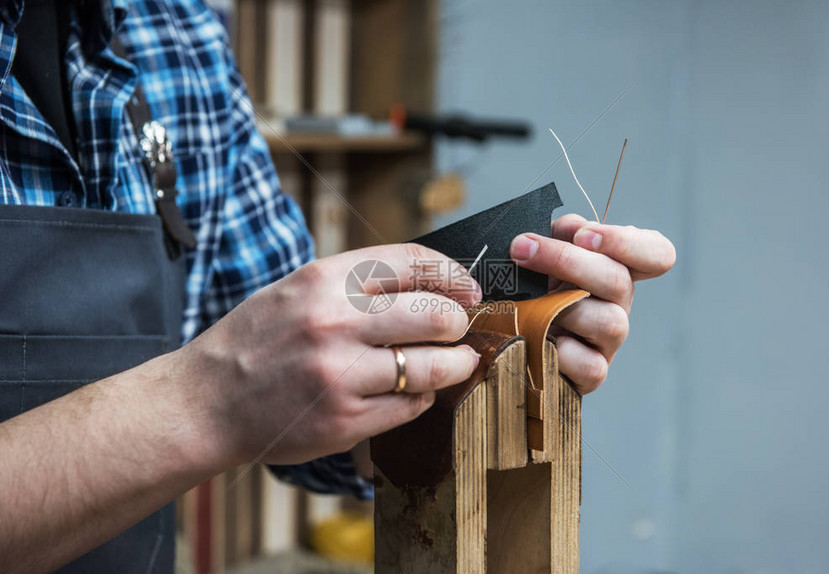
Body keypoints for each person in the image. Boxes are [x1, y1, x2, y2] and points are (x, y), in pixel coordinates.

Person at [0, 0, 676, 572]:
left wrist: (477, 368)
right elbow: (243, 387)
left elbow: (300, 407)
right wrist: (210, 402)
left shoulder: (178, 32)